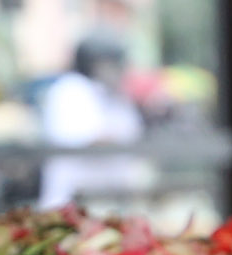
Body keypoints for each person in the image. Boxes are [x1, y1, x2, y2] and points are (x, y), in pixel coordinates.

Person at [34, 31, 151, 212]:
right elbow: (89, 141)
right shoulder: (70, 90)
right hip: (70, 206)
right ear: (92, 63)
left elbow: (135, 136)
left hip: (112, 204)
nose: (118, 70)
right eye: (111, 63)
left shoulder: (116, 94)